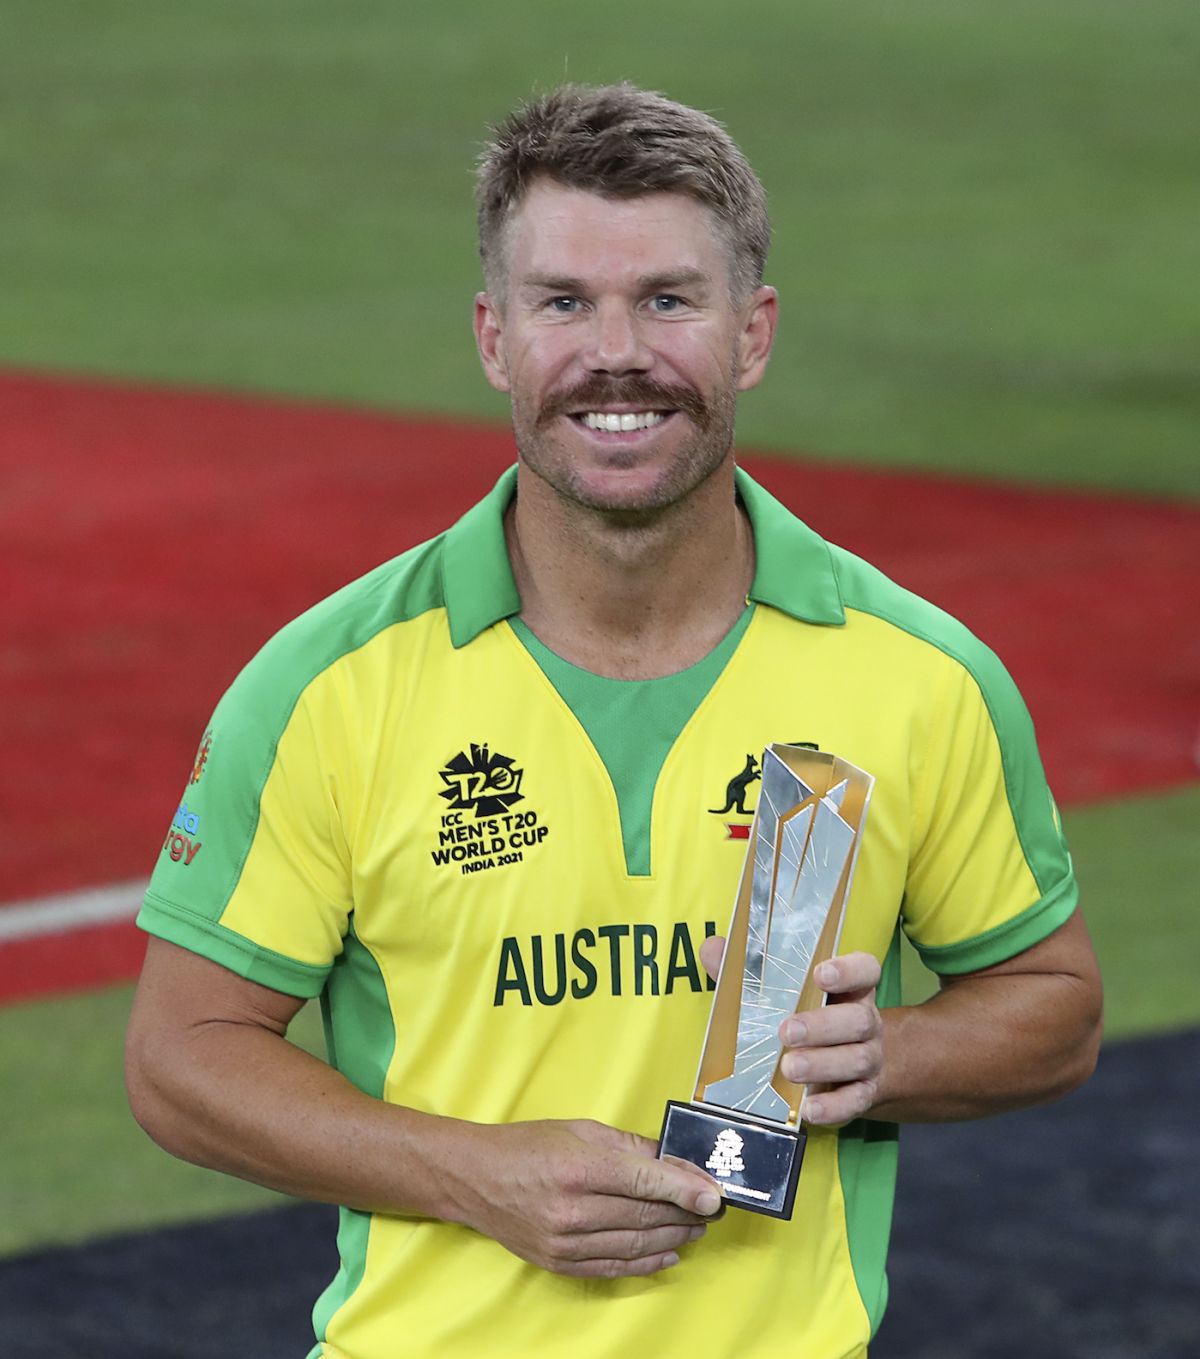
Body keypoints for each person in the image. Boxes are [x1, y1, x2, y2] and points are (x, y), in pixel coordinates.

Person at [125, 83, 1103, 1359]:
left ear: (752, 335)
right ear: (494, 337)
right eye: (564, 302)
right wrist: (476, 1172)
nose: (617, 353)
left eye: (668, 300)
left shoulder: (920, 676)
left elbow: (1057, 1003)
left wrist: (890, 1054)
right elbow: (180, 1059)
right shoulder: (326, 686)